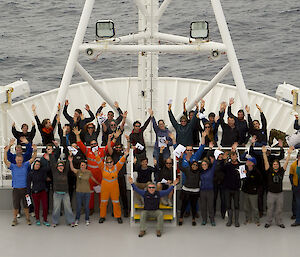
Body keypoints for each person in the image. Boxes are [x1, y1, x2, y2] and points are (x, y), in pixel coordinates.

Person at [73, 127, 120, 215]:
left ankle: (101, 209)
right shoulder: (87, 151)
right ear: (90, 146)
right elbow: (79, 144)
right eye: (92, 144)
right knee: (90, 193)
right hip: (90, 176)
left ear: (98, 144)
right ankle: (90, 209)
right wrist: (77, 135)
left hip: (100, 176)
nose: (94, 145)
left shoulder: (102, 151)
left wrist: (115, 138)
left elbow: (111, 145)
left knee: (101, 193)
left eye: (95, 144)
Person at [3, 144, 37, 226]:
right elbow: (5, 160)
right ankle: (14, 220)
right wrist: (5, 151)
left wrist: (35, 150)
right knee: (16, 206)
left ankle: (28, 219)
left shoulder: (25, 165)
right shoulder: (13, 166)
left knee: (26, 206)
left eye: (20, 160)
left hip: (25, 189)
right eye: (18, 160)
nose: (19, 161)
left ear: (22, 160)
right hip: (16, 190)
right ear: (15, 160)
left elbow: (33, 158)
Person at [95, 143, 129, 224]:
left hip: (114, 188)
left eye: (110, 162)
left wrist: (125, 155)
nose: (109, 163)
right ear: (106, 163)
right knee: (103, 202)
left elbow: (121, 161)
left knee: (116, 202)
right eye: (108, 162)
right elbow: (99, 161)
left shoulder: (116, 167)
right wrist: (96, 154)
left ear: (113, 162)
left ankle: (118, 216)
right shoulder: (103, 168)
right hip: (105, 188)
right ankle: (102, 216)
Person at [262, 145, 293, 228]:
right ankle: (268, 222)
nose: (275, 165)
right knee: (270, 209)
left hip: (279, 194)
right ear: (272, 165)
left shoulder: (281, 171)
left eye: (277, 164)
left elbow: (286, 162)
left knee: (279, 209)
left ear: (279, 165)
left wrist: (289, 154)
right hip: (271, 194)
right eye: (274, 164)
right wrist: (264, 153)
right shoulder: (269, 171)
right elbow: (266, 162)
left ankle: (279, 222)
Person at [69, 156, 99, 225]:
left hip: (87, 192)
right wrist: (70, 161)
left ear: (86, 166)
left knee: (86, 207)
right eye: (81, 165)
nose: (82, 166)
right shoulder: (78, 172)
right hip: (79, 192)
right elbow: (72, 169)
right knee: (79, 207)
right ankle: (77, 219)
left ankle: (87, 219)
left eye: (83, 165)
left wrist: (99, 184)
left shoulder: (89, 172)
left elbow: (93, 179)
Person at [49, 153, 75, 227]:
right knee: (56, 209)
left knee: (68, 208)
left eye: (62, 166)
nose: (61, 167)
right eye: (59, 166)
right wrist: (51, 154)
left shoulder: (65, 172)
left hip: (65, 193)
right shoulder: (54, 172)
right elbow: (52, 162)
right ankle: (55, 221)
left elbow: (67, 163)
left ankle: (71, 221)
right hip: (57, 193)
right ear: (57, 167)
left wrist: (69, 158)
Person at [110, 139, 130, 217]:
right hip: (114, 177)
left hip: (121, 177)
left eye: (119, 147)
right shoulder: (113, 154)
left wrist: (128, 141)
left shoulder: (123, 154)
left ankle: (126, 211)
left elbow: (128, 150)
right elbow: (109, 148)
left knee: (123, 195)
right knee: (115, 195)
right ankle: (115, 210)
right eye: (117, 147)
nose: (118, 149)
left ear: (122, 148)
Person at [27, 160, 50, 226]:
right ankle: (37, 219)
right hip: (35, 192)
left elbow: (48, 170)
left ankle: (45, 220)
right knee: (36, 207)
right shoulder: (31, 173)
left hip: (43, 191)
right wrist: (28, 193)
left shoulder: (42, 171)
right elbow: (28, 184)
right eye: (36, 164)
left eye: (39, 165)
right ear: (34, 165)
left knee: (45, 206)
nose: (37, 166)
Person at [241, 156, 263, 226]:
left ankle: (257, 220)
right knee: (246, 207)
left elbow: (260, 182)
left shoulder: (256, 172)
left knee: (255, 208)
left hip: (253, 193)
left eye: (248, 161)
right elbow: (243, 179)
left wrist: (256, 189)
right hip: (245, 191)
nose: (247, 161)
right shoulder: (244, 169)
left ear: (252, 163)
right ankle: (248, 219)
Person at [224, 150, 242, 227]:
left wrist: (244, 172)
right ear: (230, 157)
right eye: (232, 156)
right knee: (228, 205)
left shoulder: (241, 166)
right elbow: (221, 169)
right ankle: (230, 220)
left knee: (236, 205)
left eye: (235, 155)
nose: (234, 157)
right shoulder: (227, 165)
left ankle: (236, 221)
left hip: (236, 189)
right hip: (227, 188)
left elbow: (244, 176)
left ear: (237, 156)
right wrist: (224, 160)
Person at [200, 155, 217, 226]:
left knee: (210, 206)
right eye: (202, 165)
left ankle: (212, 220)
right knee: (203, 206)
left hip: (210, 191)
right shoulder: (200, 172)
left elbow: (214, 164)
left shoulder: (211, 171)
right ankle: (204, 219)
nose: (204, 166)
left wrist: (215, 158)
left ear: (207, 165)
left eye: (205, 165)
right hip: (202, 191)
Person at [289, 151, 300, 226]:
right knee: (297, 202)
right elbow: (290, 176)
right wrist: (293, 185)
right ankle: (296, 217)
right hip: (296, 186)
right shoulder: (293, 165)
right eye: (299, 156)